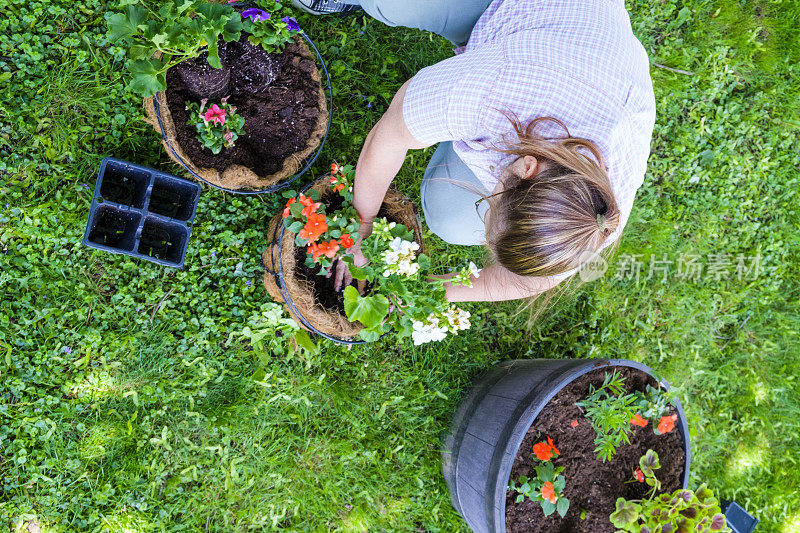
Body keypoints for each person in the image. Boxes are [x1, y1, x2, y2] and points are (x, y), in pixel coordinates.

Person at [294, 0, 656, 303]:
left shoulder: (589, 218)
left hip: (586, 61)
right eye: (491, 200)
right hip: (532, 9)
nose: (485, 200)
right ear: (527, 166)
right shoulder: (487, 94)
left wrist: (416, 293)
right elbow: (388, 137)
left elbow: (536, 279)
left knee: (449, 216)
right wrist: (363, 224)